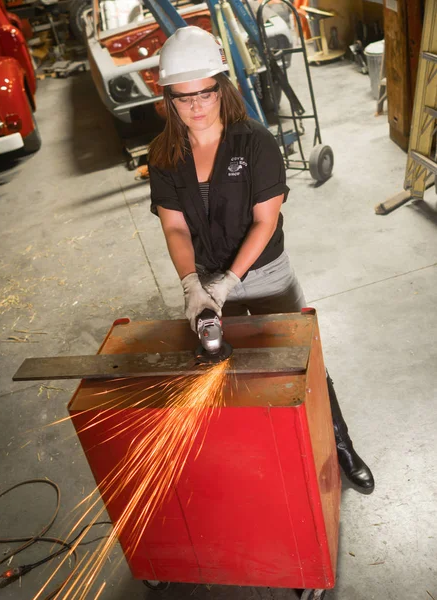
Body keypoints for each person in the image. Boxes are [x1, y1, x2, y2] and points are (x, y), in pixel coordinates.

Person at [148, 26, 374, 493]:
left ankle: (341, 444)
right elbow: (174, 227)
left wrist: (230, 279)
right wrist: (194, 285)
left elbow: (265, 222)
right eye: (183, 97)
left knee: (303, 362)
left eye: (205, 93)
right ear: (168, 99)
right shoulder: (165, 155)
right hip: (208, 282)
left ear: (221, 87)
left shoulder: (255, 142)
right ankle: (262, 460)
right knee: (228, 369)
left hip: (267, 275)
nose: (196, 106)